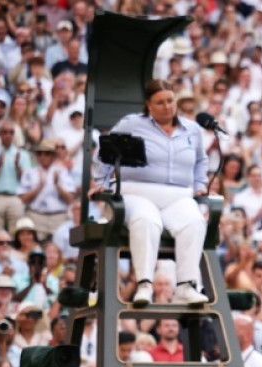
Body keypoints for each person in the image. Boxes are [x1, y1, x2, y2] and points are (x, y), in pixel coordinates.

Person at [90, 79, 209, 306]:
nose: (167, 107)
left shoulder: (192, 129)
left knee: (194, 222)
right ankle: (144, 285)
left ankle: (185, 286)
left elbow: (201, 160)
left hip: (178, 195)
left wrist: (200, 183)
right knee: (147, 220)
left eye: (170, 101)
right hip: (137, 192)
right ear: (149, 104)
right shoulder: (132, 123)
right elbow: (104, 151)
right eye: (160, 102)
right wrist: (101, 182)